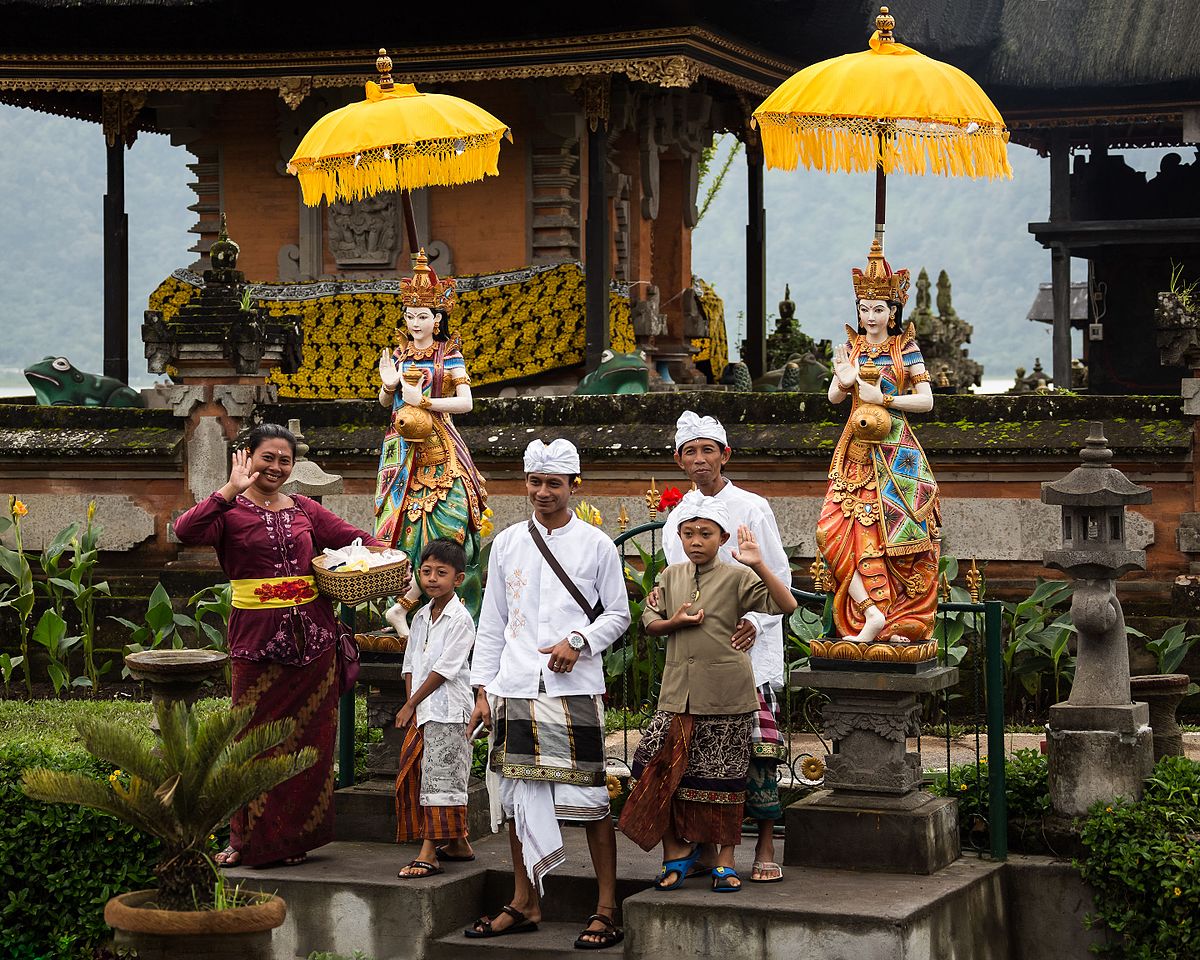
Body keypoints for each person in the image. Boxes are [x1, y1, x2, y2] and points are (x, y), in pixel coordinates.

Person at [174, 423, 394, 868]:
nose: (275, 467)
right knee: (252, 741)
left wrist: (385, 556)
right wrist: (227, 490)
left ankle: (296, 841)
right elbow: (183, 531)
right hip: (256, 643)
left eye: (284, 460)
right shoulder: (228, 512)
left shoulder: (306, 509)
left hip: (314, 642)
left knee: (309, 742)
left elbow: (360, 541)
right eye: (267, 458)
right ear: (246, 458)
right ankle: (246, 841)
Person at [466, 438, 630, 950]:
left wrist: (579, 641)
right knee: (518, 798)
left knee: (591, 799)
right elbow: (492, 620)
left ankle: (605, 907)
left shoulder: (597, 545)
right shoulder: (509, 542)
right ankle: (524, 900)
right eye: (535, 482)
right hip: (514, 685)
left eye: (553, 483)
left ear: (572, 486)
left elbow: (619, 615)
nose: (542, 492)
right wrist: (482, 689)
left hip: (574, 687)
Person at [620, 491, 797, 893]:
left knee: (724, 780)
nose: (696, 541)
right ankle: (676, 853)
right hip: (677, 694)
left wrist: (758, 564)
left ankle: (724, 862)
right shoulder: (669, 576)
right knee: (653, 768)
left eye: (705, 533)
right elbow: (650, 620)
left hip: (727, 694)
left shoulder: (737, 576)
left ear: (721, 538)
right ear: (679, 537)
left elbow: (785, 605)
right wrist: (674, 622)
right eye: (688, 533)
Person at [660, 410, 792, 883]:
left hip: (747, 654)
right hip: (699, 656)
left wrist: (754, 621)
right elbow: (676, 585)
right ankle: (705, 847)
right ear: (679, 460)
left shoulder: (752, 508)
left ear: (725, 455)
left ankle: (764, 844)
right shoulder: (676, 518)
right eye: (690, 451)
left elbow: (779, 576)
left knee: (758, 753)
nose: (699, 460)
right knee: (701, 756)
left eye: (708, 450)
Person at [817, 237, 940, 645]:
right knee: (832, 530)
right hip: (853, 453)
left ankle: (888, 618)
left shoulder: (906, 350)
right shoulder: (851, 349)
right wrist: (843, 379)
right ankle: (868, 611)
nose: (870, 317)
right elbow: (835, 399)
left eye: (878, 310)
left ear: (892, 312)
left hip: (893, 453)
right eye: (864, 310)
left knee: (890, 539)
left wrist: (882, 397)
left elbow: (926, 400)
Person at [376, 250, 488, 634]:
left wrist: (423, 400)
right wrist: (389, 385)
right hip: (405, 454)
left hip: (443, 449)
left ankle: (455, 615)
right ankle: (404, 608)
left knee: (453, 530)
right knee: (406, 534)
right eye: (410, 316)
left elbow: (466, 402)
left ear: (438, 319)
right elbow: (385, 401)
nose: (415, 323)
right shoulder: (398, 354)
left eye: (423, 316)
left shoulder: (448, 354)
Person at [393, 538, 477, 878]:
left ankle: (429, 852)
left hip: (450, 711)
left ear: (457, 579)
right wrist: (411, 705)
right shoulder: (421, 617)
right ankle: (458, 843)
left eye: (441, 573)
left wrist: (411, 702)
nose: (431, 579)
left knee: (442, 778)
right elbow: (411, 663)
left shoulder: (461, 619)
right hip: (423, 710)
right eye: (426, 571)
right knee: (422, 774)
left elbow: (445, 669)